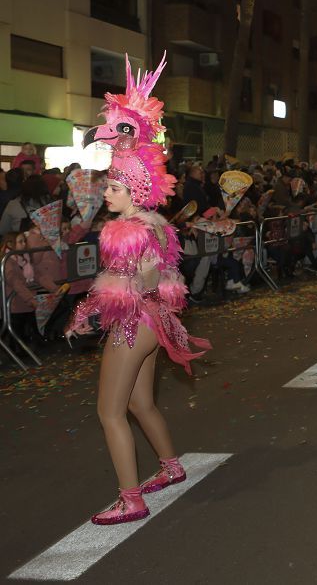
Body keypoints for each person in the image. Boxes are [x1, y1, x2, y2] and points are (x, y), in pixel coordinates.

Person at [65, 54, 210, 525]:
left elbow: (127, 285)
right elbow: (158, 278)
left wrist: (89, 308)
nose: (106, 192)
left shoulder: (124, 229)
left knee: (110, 411)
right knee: (140, 401)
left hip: (134, 322)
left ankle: (131, 498)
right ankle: (170, 468)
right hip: (157, 320)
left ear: (131, 189)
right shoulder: (158, 224)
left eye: (113, 186)